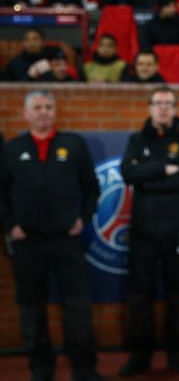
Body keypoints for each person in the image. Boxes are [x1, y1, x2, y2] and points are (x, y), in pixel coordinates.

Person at [0, 90, 103, 381]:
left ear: (54, 111)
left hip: (66, 240)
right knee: (32, 310)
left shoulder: (74, 144)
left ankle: (84, 369)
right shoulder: (11, 148)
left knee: (77, 307)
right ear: (26, 114)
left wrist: (83, 219)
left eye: (48, 107)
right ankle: (41, 370)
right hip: (27, 242)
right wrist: (10, 226)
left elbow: (91, 188)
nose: (43, 112)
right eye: (37, 107)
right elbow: (2, 193)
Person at [119, 86, 179, 376]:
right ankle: (139, 357)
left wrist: (147, 174)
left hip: (177, 232)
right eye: (158, 103)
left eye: (168, 103)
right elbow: (128, 172)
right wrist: (165, 169)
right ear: (149, 107)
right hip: (143, 233)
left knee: (178, 297)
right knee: (140, 297)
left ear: (175, 108)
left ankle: (178, 355)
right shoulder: (137, 139)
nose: (163, 108)